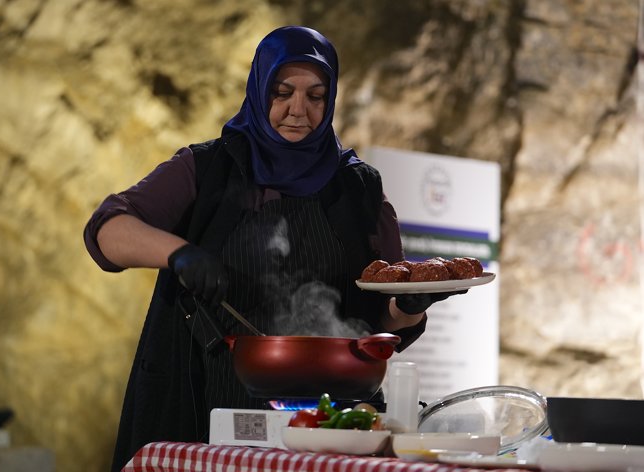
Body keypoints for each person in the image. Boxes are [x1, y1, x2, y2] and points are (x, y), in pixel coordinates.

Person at [84, 25, 462, 471]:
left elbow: (384, 320)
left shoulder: (359, 188)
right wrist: (178, 253)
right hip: (203, 402)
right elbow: (107, 230)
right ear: (259, 88)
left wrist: (410, 307)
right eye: (282, 93)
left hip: (332, 420)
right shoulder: (207, 169)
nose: (298, 110)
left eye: (316, 96)